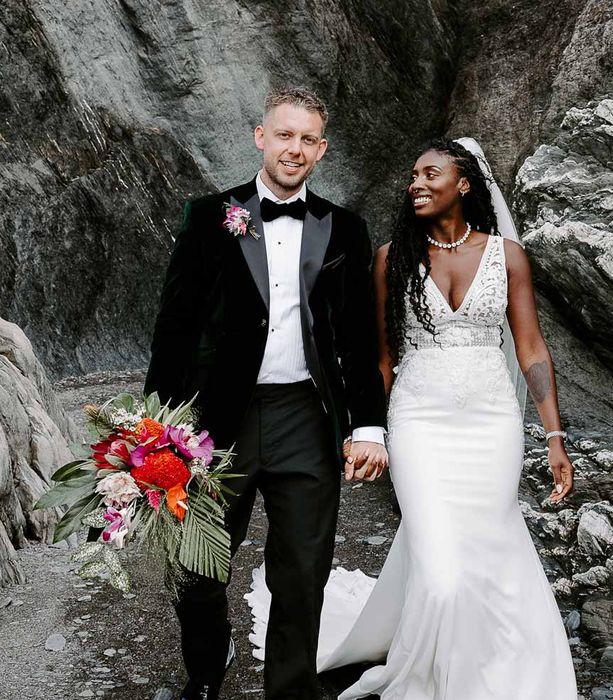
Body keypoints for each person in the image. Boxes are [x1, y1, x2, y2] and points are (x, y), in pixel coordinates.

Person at [247, 137, 579, 699]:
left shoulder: (507, 257)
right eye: (413, 176)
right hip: (419, 422)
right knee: (443, 568)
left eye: (431, 174)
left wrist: (552, 435)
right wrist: (362, 430)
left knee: (490, 546)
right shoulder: (390, 258)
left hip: (492, 423)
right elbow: (380, 358)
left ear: (465, 184)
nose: (416, 184)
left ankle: (500, 669)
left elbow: (532, 350)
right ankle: (434, 672)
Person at [144, 86, 388, 700]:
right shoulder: (208, 217)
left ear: (322, 150)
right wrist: (151, 428)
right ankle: (206, 667)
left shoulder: (344, 229)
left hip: (306, 415)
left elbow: (359, 338)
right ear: (260, 137)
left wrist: (369, 425)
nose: (294, 148)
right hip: (213, 421)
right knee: (199, 566)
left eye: (308, 139)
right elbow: (174, 328)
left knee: (303, 572)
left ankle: (291, 690)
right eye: (284, 135)